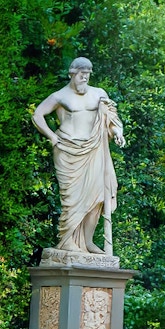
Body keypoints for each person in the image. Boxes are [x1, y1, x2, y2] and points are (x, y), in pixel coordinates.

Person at [31, 57, 126, 255]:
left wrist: (117, 132)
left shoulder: (99, 94)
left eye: (88, 75)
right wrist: (51, 136)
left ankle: (88, 242)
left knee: (97, 196)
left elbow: (111, 117)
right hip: (67, 150)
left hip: (93, 150)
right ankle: (67, 241)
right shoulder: (59, 96)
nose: (85, 79)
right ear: (72, 74)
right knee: (72, 198)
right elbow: (38, 115)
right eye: (81, 75)